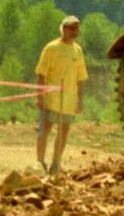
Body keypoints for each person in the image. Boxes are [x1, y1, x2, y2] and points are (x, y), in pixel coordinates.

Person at [35, 15, 88, 176]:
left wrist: (80, 100)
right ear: (63, 29)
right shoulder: (51, 48)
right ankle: (40, 163)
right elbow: (41, 74)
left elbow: (81, 78)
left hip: (69, 101)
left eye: (76, 28)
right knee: (45, 130)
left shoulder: (77, 50)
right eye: (71, 28)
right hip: (51, 99)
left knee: (63, 133)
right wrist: (40, 96)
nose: (74, 31)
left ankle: (56, 164)